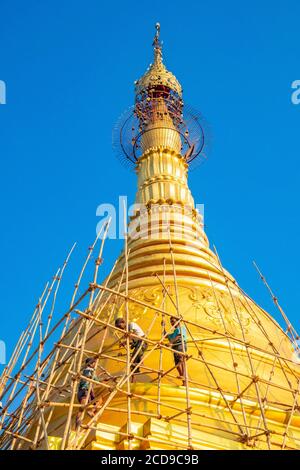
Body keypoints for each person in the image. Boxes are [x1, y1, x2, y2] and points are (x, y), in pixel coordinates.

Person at [75, 357, 102, 430]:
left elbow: (97, 380)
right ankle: (77, 423)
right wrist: (91, 376)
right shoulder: (87, 370)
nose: (95, 364)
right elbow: (89, 376)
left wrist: (104, 380)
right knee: (82, 408)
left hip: (88, 391)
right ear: (91, 363)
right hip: (84, 391)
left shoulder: (91, 371)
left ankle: (92, 411)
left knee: (99, 400)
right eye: (94, 363)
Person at [164, 316, 187, 386]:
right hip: (175, 347)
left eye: (173, 321)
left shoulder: (181, 327)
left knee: (181, 360)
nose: (172, 323)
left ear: (178, 321)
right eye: (171, 321)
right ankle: (184, 381)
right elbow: (166, 335)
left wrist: (171, 343)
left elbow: (179, 336)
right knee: (177, 364)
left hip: (180, 344)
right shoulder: (174, 332)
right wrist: (163, 326)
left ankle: (183, 376)